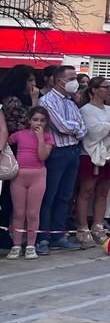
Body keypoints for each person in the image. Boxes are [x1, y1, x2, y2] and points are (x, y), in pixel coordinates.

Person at [38, 65, 88, 253]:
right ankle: (43, 237)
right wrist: (75, 128)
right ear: (60, 81)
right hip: (57, 152)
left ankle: (58, 235)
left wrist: (75, 128)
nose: (75, 81)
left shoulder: (70, 102)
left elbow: (83, 128)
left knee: (65, 196)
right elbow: (61, 126)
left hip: (73, 151)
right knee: (49, 195)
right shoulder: (47, 101)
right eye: (72, 78)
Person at [76, 77, 110, 248]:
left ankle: (98, 225)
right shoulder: (86, 109)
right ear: (94, 90)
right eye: (105, 87)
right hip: (91, 153)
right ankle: (82, 227)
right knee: (86, 190)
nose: (108, 90)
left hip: (109, 153)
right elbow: (93, 130)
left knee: (103, 191)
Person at [6, 106, 49, 259]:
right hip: (19, 176)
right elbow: (5, 143)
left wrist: (40, 139)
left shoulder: (48, 138)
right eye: (35, 119)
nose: (39, 123)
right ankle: (16, 245)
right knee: (18, 213)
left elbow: (42, 156)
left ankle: (31, 244)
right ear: (29, 120)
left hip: (38, 176)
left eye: (43, 120)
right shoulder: (20, 135)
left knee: (32, 213)